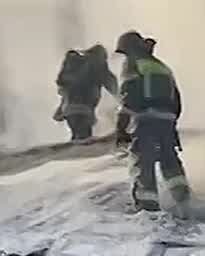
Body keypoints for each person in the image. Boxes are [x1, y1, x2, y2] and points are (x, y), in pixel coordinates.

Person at [113, 31, 190, 213]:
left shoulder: (133, 66)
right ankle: (184, 200)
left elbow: (129, 97)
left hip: (146, 120)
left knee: (143, 162)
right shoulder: (161, 66)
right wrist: (171, 122)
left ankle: (147, 209)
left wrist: (121, 128)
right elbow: (177, 99)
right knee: (169, 160)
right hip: (167, 120)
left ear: (130, 49)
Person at [53, 45, 117, 141]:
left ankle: (75, 144)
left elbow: (66, 90)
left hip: (69, 109)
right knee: (84, 137)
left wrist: (60, 109)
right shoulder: (97, 65)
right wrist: (122, 98)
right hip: (85, 109)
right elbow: (111, 83)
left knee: (77, 135)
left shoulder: (75, 67)